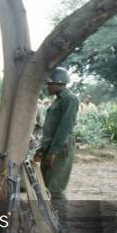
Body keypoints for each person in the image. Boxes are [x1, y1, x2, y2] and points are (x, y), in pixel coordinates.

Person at [35, 67, 79, 202]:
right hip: (52, 147)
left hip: (60, 148)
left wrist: (53, 152)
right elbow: (52, 128)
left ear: (59, 83)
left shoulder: (70, 99)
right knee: (45, 186)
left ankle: (63, 222)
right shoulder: (58, 99)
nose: (47, 86)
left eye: (49, 84)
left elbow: (64, 128)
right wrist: (43, 149)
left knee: (55, 190)